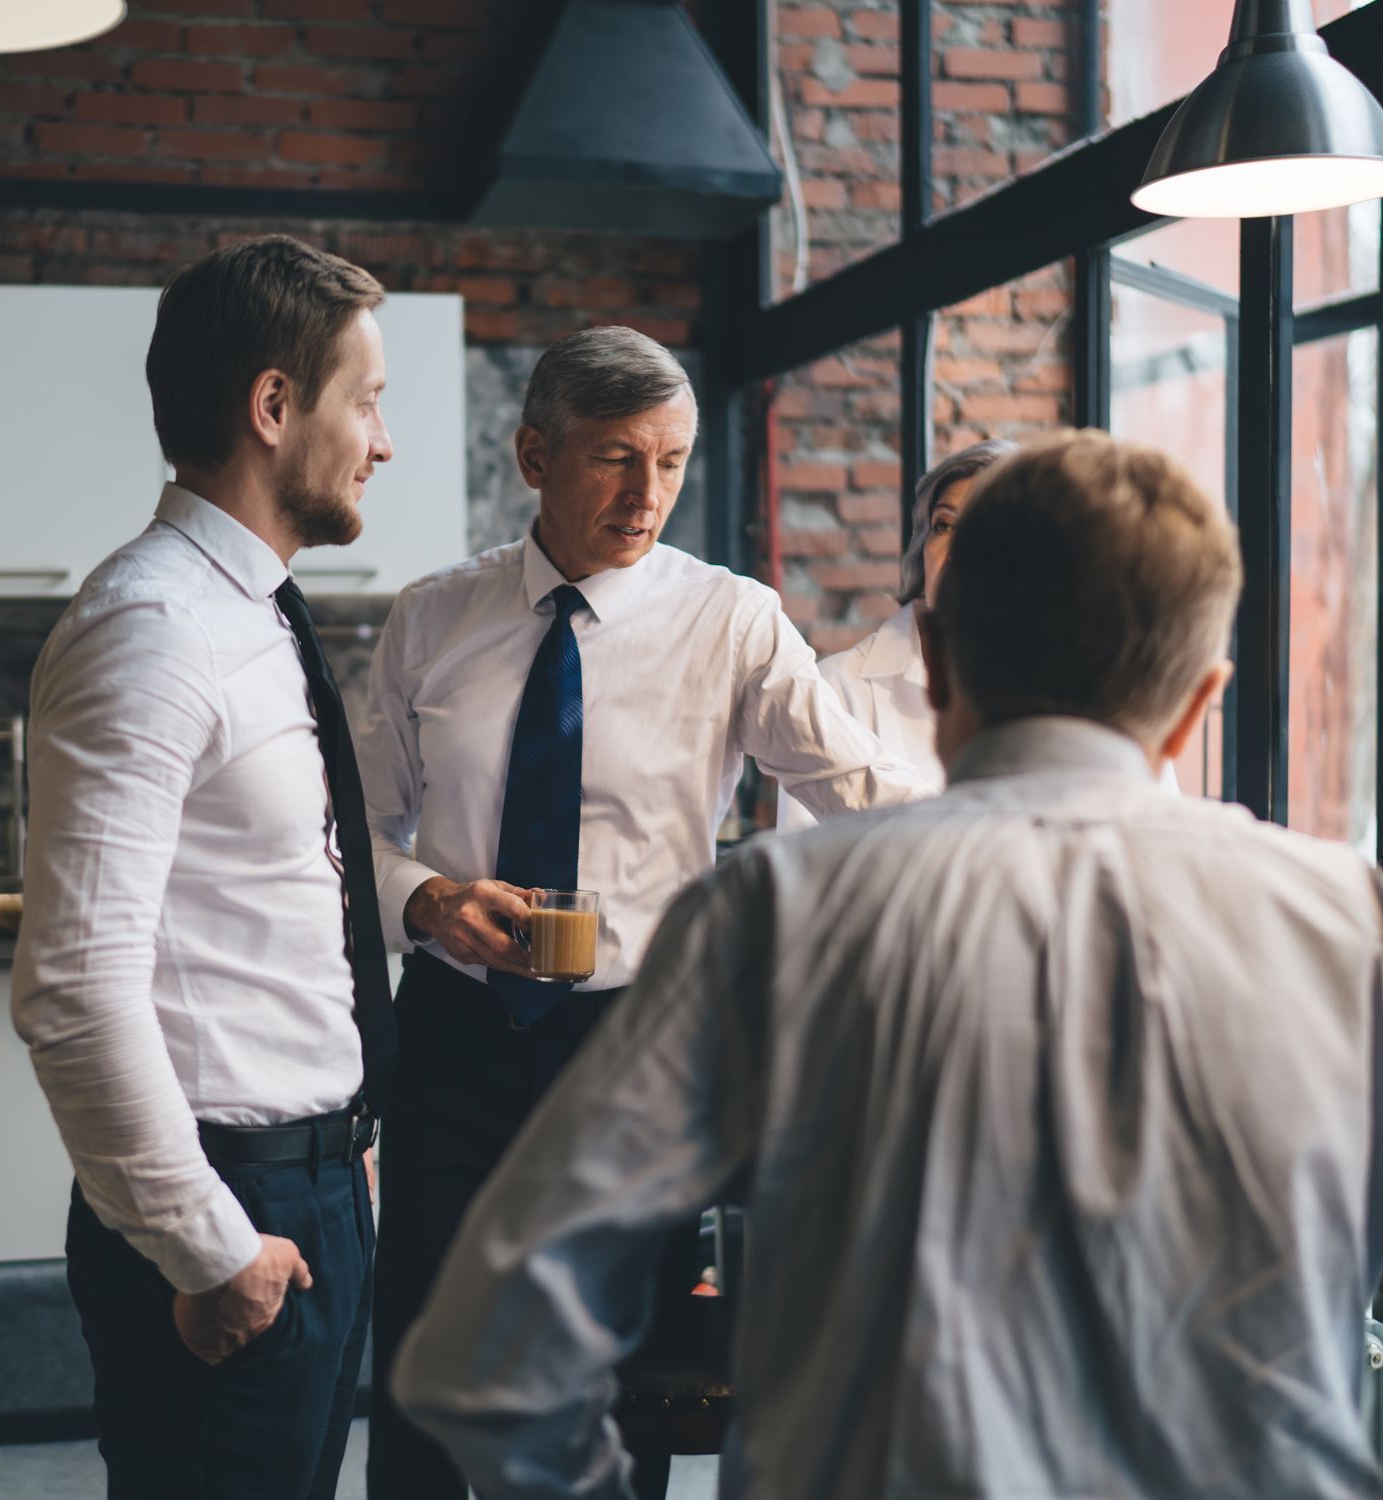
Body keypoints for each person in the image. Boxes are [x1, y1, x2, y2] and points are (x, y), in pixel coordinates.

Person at [390, 430, 1383, 1500]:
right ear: (1203, 700)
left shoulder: (775, 910)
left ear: (933, 663)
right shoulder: (1362, 927)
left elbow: (484, 1357)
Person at [357, 325, 933, 1499]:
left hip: (640, 1051)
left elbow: (860, 790)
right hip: (457, 1037)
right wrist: (425, 902)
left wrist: (1041, 817)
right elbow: (349, 830)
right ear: (534, 454)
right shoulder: (431, 619)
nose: (648, 494)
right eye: (617, 458)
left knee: (617, 1385)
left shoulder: (734, 622)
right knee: (423, 1357)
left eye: (670, 462)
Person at [12, 236, 398, 1500]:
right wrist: (206, 1245)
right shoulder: (153, 628)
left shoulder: (251, 611)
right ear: (274, 407)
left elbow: (284, 902)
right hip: (231, 1212)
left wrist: (341, 1140)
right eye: (367, 401)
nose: (380, 443)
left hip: (303, 1184)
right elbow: (73, 987)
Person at [776, 439, 1015, 829]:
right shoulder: (838, 690)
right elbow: (804, 870)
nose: (955, 549)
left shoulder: (1056, 690)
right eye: (943, 525)